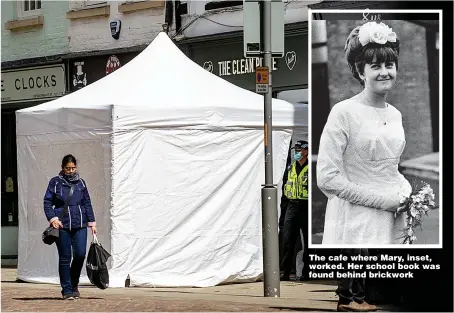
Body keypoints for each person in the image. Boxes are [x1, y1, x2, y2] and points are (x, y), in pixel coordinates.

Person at [316, 21, 411, 311]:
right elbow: (328, 178)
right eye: (375, 66)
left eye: (390, 64)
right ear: (359, 71)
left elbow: (393, 166)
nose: (385, 72)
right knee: (357, 302)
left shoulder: (395, 114)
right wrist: (381, 200)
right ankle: (351, 297)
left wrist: (407, 194)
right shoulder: (344, 112)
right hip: (356, 219)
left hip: (390, 221)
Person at [43, 154, 97, 300]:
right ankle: (67, 290)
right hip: (62, 225)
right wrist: (52, 218)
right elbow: (47, 202)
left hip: (80, 224)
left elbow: (87, 202)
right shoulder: (55, 183)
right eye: (68, 168)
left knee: (80, 255)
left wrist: (92, 222)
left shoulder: (81, 183)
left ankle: (74, 284)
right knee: (65, 257)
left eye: (73, 168)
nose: (71, 171)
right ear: (62, 168)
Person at [280, 140, 309, 281]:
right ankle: (284, 272)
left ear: (306, 151)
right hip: (292, 206)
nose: (296, 153)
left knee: (308, 242)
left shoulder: (312, 167)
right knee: (287, 239)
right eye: (295, 150)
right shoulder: (290, 167)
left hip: (307, 206)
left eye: (299, 150)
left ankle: (307, 272)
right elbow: (285, 186)